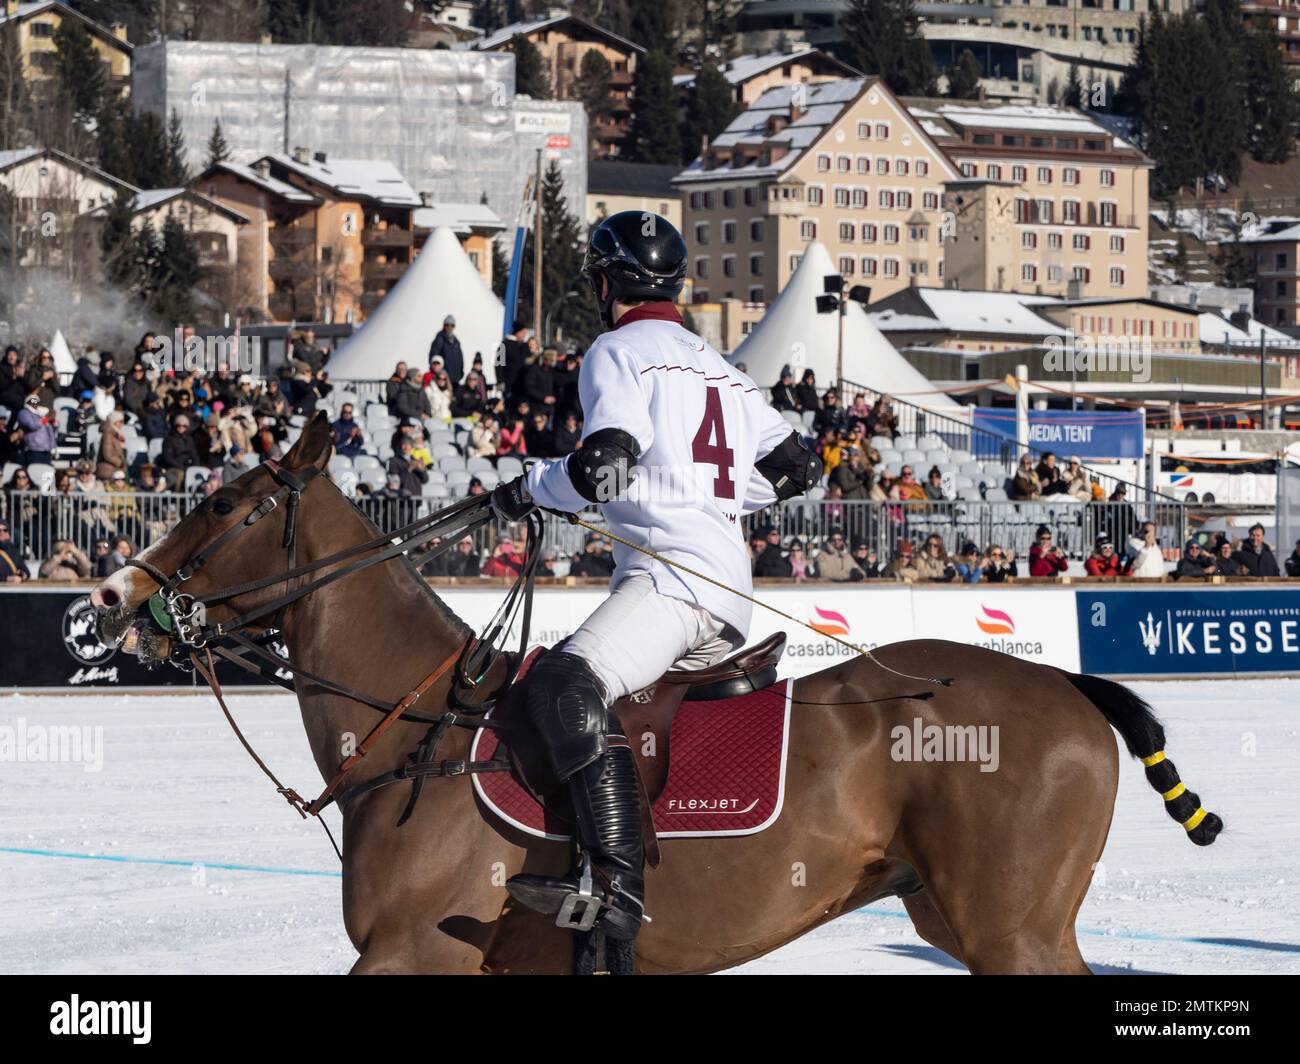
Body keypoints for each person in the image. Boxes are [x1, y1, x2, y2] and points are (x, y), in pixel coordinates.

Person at [488, 211, 819, 941]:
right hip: (731, 586)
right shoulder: (723, 368)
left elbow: (603, 466)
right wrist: (716, 497)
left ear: (607, 283)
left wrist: (529, 489)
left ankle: (616, 887)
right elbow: (800, 468)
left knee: (563, 685)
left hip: (676, 585)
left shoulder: (616, 350)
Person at [429, 315, 464, 384]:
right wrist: (439, 373)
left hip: (456, 378)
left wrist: (461, 372)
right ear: (444, 326)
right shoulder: (439, 339)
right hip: (443, 378)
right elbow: (434, 358)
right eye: (447, 325)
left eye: (452, 325)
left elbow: (460, 358)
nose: (449, 327)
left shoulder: (456, 341)